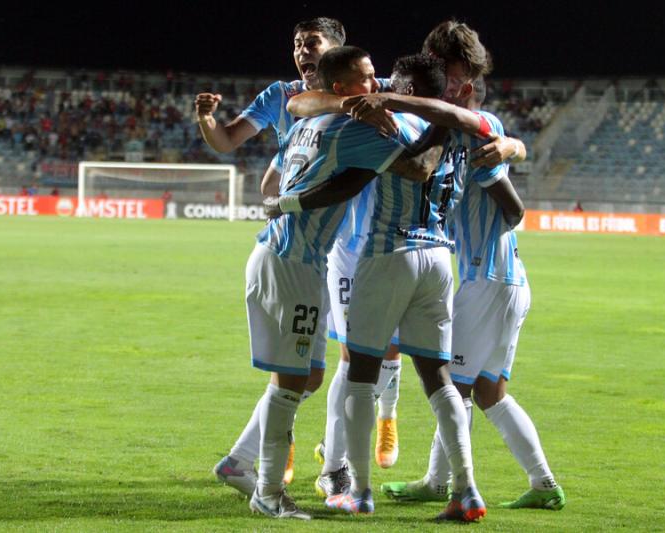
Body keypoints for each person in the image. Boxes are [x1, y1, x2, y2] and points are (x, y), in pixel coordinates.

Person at [357, 20, 566, 512]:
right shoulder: (427, 103)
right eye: (453, 74)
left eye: (463, 78)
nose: (457, 85)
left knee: (452, 385)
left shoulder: (471, 127)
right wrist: (513, 145)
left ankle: (441, 483)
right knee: (491, 391)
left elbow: (513, 210)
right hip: (505, 279)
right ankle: (544, 484)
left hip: (486, 276)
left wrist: (503, 154)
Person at [245, 45, 444, 520]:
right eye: (367, 78)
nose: (377, 86)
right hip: (293, 262)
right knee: (291, 381)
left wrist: (287, 204)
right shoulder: (354, 130)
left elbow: (339, 177)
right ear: (341, 90)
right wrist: (446, 121)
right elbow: (419, 168)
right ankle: (267, 492)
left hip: (292, 257)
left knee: (309, 375)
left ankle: (258, 473)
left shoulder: (308, 124)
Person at [201, 17, 349, 494]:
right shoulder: (281, 97)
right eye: (297, 44)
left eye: (312, 43)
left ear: (336, 52)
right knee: (297, 373)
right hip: (295, 247)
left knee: (312, 375)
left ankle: (243, 460)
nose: (302, 51)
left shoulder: (358, 92)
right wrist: (207, 120)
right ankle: (268, 478)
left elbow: (272, 179)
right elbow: (227, 140)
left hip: (320, 246)